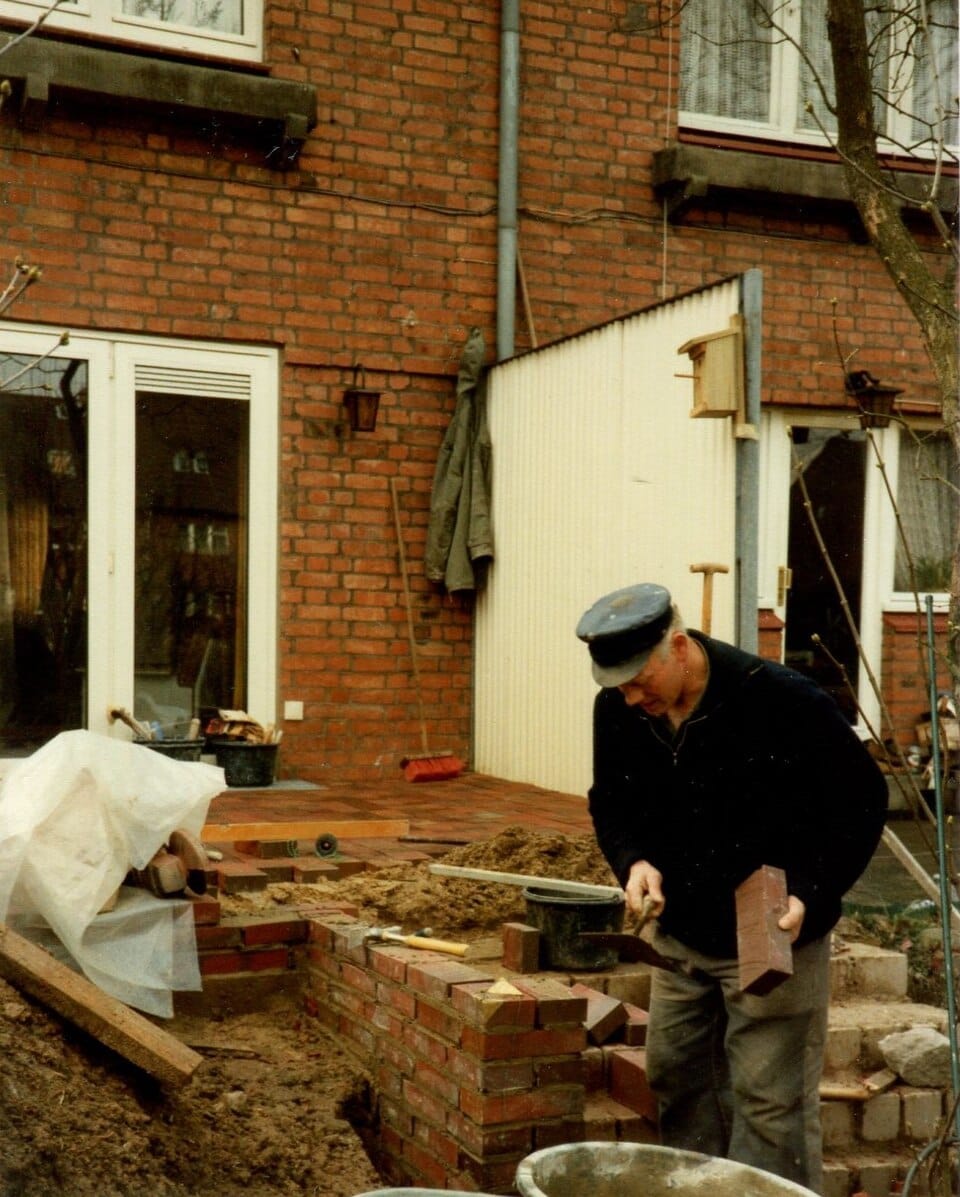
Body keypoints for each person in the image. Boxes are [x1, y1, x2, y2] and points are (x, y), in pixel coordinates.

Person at [576, 582, 887, 1193]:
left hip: (770, 929)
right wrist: (634, 861)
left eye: (641, 679)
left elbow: (862, 802)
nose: (630, 696)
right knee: (677, 1077)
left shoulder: (780, 699)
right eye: (618, 684)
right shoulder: (620, 706)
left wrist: (812, 892)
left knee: (770, 1106)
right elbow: (611, 801)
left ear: (681, 648)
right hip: (680, 936)